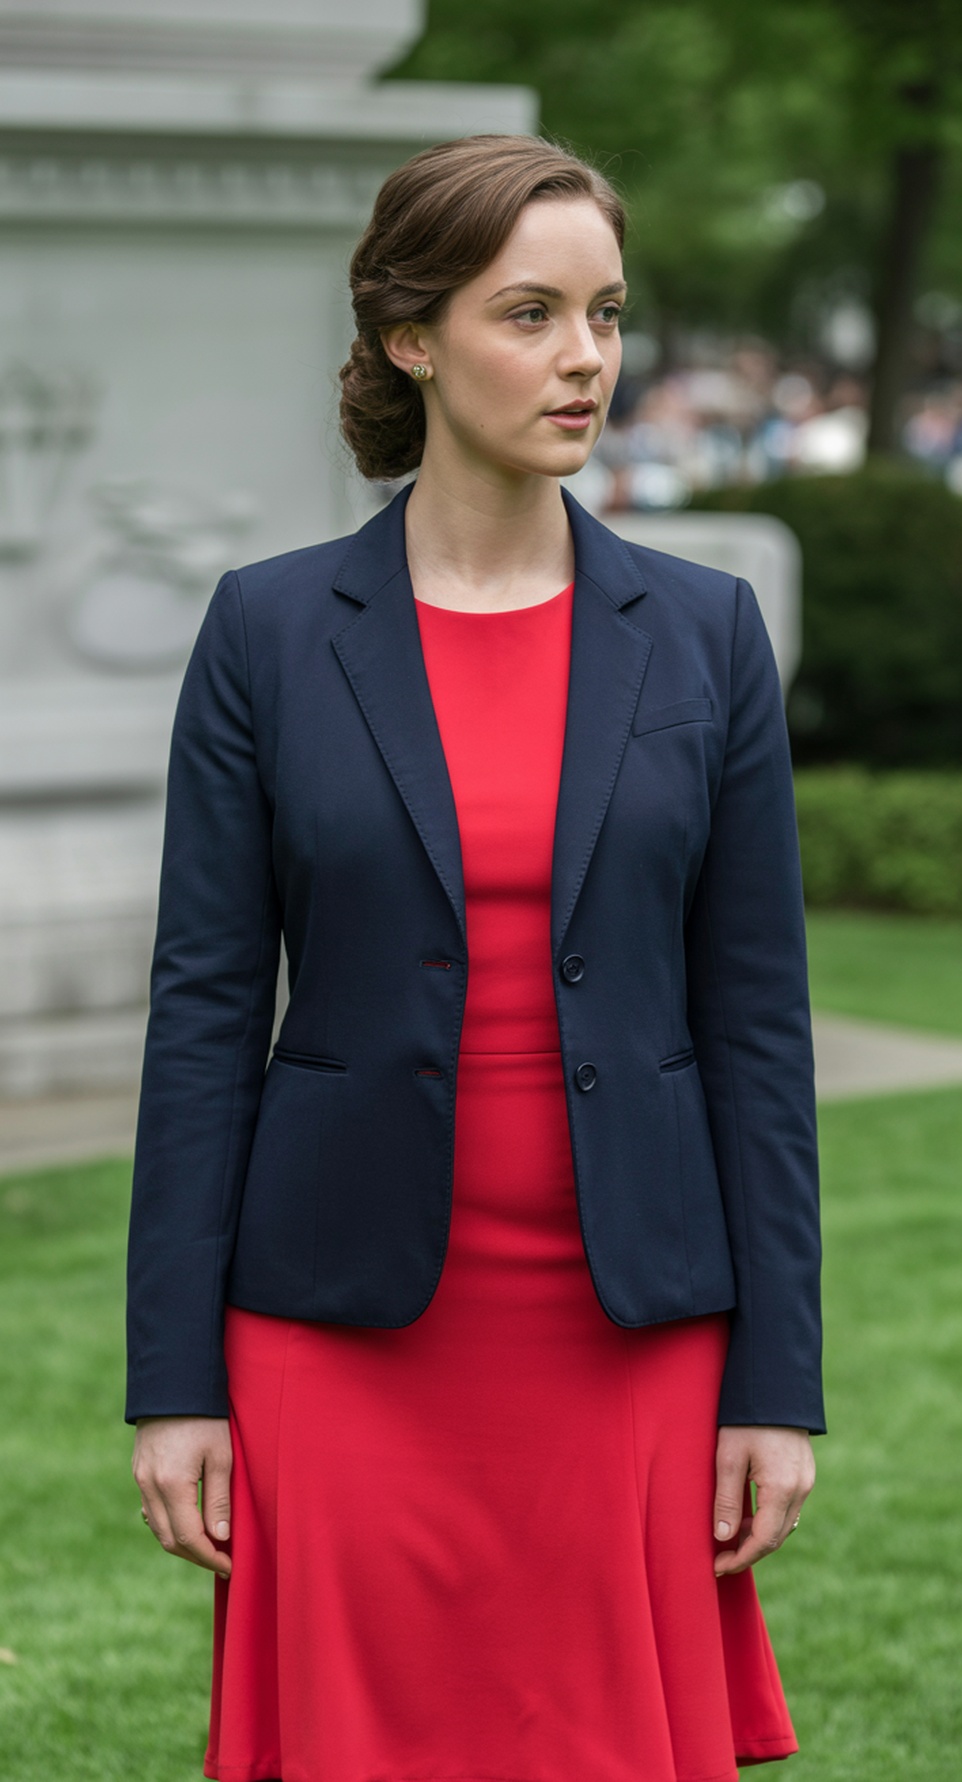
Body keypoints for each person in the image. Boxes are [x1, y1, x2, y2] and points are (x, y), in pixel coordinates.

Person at [127, 133, 823, 1782]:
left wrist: (779, 1384)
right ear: (412, 337)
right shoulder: (269, 632)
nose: (586, 357)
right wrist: (174, 1381)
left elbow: (759, 1029)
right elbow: (205, 1016)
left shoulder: (710, 632)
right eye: (533, 313)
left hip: (629, 1328)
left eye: (606, 313)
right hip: (337, 1328)